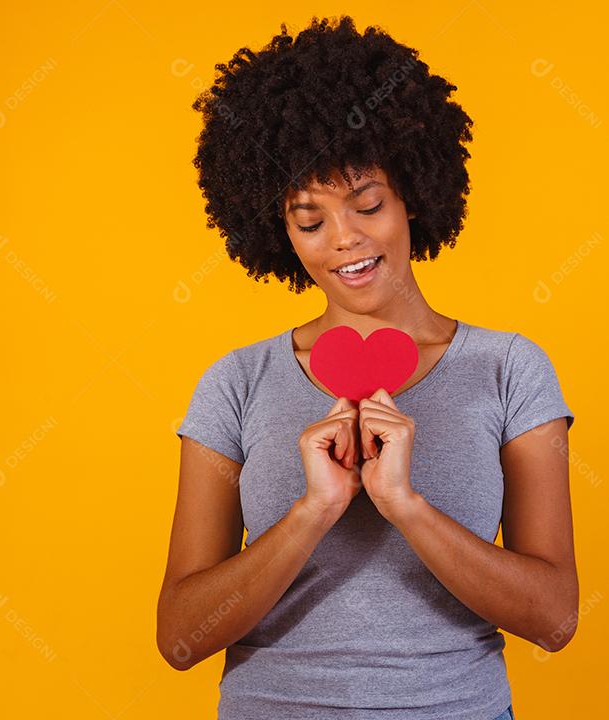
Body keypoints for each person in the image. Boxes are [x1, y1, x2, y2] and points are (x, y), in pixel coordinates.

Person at [156, 15, 577, 720]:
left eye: (367, 202)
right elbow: (178, 638)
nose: (344, 239)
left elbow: (555, 620)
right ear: (277, 232)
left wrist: (405, 506)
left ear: (414, 190)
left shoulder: (509, 370)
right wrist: (313, 511)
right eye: (309, 219)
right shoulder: (236, 383)